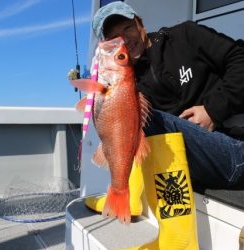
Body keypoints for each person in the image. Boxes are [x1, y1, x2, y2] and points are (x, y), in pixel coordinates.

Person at [92, 1, 244, 191]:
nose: (125, 39)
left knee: (148, 119)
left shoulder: (185, 35)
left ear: (141, 23)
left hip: (236, 149)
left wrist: (213, 111)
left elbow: (239, 58)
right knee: (134, 118)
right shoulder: (128, 85)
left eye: (128, 28)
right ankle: (121, 191)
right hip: (191, 173)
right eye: (115, 37)